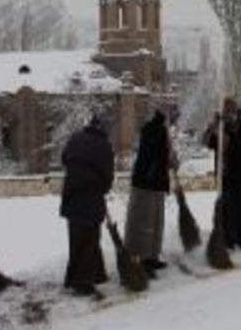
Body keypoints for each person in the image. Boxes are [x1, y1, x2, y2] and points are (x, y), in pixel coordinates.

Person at [60, 112, 115, 297]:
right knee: (90, 240)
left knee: (76, 240)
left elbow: (64, 158)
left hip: (71, 195)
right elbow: (108, 177)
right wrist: (102, 187)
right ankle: (83, 282)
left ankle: (84, 276)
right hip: (91, 197)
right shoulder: (104, 146)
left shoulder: (75, 138)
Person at [125, 109, 178, 278]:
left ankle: (150, 257)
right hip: (150, 184)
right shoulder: (160, 132)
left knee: (150, 223)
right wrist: (174, 162)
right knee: (149, 224)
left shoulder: (148, 130)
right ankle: (145, 260)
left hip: (147, 182)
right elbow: (169, 158)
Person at [204, 97, 241, 249]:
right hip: (226, 173)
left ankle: (239, 236)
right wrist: (213, 127)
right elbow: (208, 142)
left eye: (232, 107)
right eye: (227, 108)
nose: (230, 110)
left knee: (240, 206)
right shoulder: (219, 125)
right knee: (227, 206)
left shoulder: (240, 124)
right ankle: (227, 238)